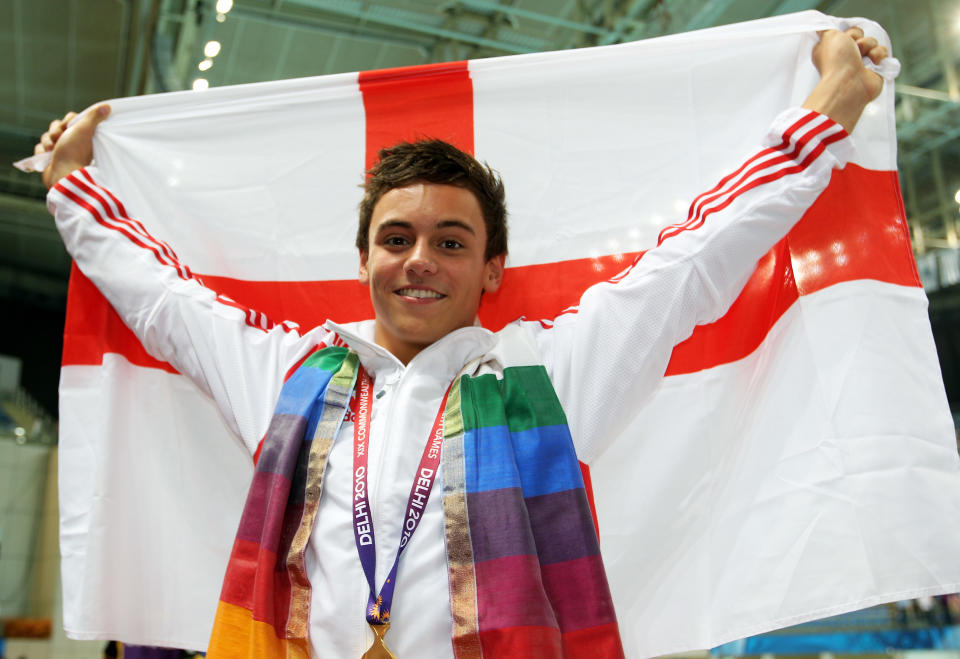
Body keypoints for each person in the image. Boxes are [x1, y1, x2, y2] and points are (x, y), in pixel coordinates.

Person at [37, 28, 888, 659]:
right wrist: (71, 187)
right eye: (397, 237)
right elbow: (163, 300)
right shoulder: (287, 371)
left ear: (491, 269)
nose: (419, 261)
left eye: (451, 241)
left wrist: (829, 113)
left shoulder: (545, 373)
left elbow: (695, 261)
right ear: (363, 257)